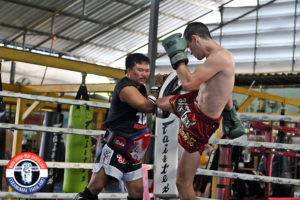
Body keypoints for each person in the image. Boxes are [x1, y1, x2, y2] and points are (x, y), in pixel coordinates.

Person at [156, 22, 244, 200]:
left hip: (200, 124)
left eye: (189, 48)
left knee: (182, 182)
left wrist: (177, 57)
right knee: (160, 102)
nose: (191, 54)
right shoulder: (216, 58)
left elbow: (187, 83)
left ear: (195, 39)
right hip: (193, 105)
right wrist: (229, 112)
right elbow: (225, 89)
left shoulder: (221, 57)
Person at [74, 53, 156, 200]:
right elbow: (146, 106)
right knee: (95, 187)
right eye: (140, 70)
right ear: (128, 70)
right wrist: (158, 89)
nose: (144, 74)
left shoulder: (141, 88)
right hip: (116, 146)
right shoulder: (124, 87)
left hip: (134, 149)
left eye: (146, 70)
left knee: (137, 192)